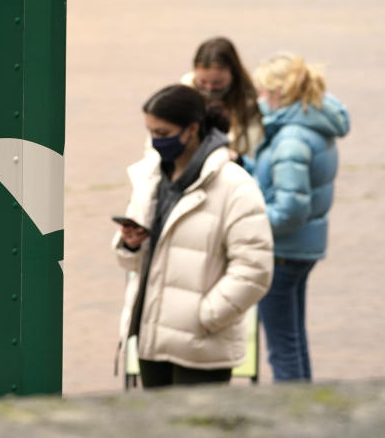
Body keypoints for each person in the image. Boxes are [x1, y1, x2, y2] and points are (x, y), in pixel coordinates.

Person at [113, 84, 273, 388]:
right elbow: (134, 260)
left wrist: (205, 318)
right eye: (151, 133)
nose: (155, 142)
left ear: (192, 130)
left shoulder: (236, 185)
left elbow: (255, 270)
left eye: (162, 133)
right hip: (152, 337)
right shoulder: (150, 177)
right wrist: (129, 244)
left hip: (201, 347)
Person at [249, 54, 350, 382]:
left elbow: (290, 209)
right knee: (294, 339)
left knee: (282, 348)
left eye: (262, 92)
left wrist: (247, 221)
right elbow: (282, 184)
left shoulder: (291, 139)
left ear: (279, 94)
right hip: (300, 250)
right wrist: (245, 165)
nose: (259, 100)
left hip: (282, 252)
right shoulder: (312, 123)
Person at [182, 37, 264, 162]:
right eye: (203, 82)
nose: (209, 89)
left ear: (234, 74)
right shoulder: (184, 94)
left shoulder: (252, 101)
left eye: (217, 83)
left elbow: (254, 149)